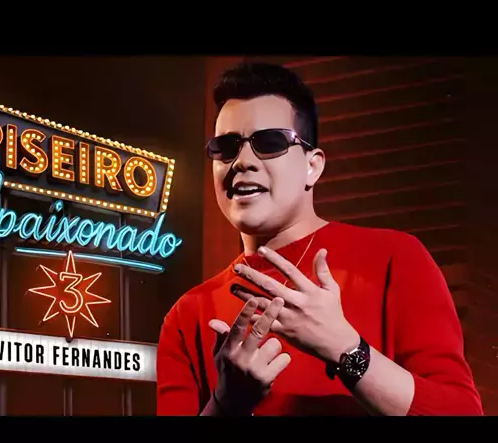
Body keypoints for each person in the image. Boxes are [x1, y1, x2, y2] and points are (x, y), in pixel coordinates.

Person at [155, 61, 483, 416]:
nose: (243, 161)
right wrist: (226, 404)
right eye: (226, 146)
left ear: (312, 166)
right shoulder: (188, 315)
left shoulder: (396, 258)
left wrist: (344, 347)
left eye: (270, 142)